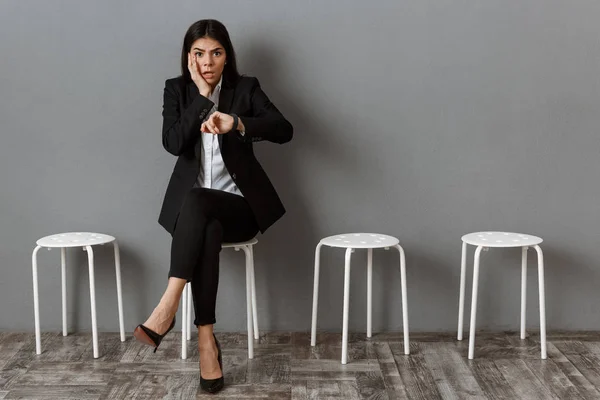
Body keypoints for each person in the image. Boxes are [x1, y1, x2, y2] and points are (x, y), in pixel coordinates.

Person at [133, 19, 293, 394]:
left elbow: (284, 129)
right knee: (204, 220)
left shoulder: (245, 88)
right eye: (199, 53)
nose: (208, 62)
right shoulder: (177, 91)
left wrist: (235, 122)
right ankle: (207, 343)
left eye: (216, 53)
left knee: (199, 201)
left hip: (241, 208)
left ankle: (167, 305)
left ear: (227, 56)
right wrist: (204, 98)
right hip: (196, 219)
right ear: (188, 57)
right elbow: (172, 142)